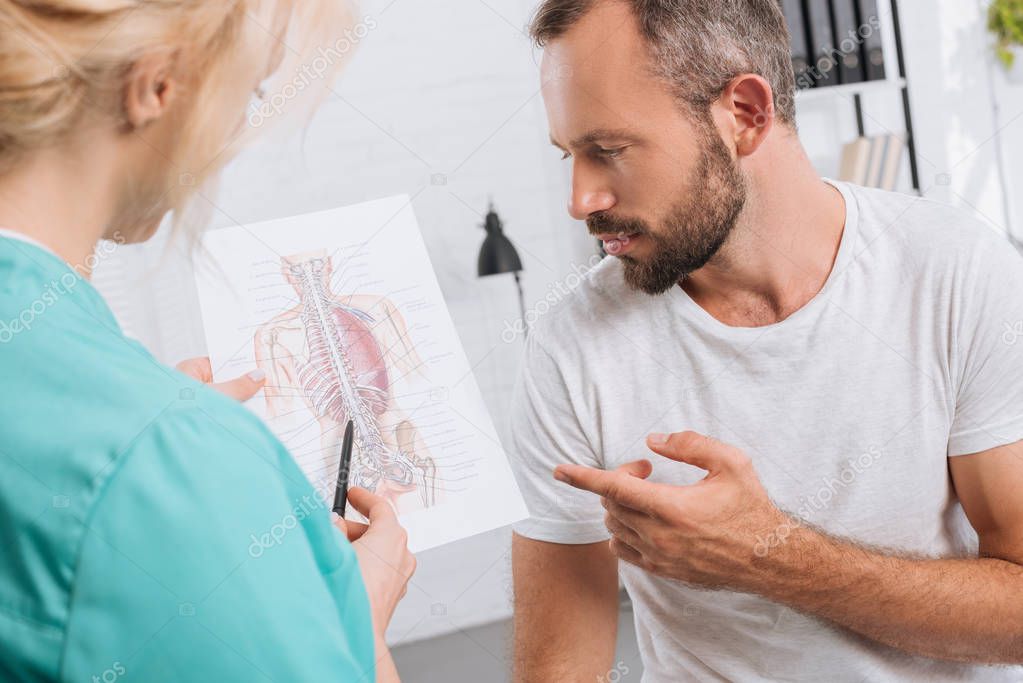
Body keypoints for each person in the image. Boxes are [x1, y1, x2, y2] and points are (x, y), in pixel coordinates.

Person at [510, 1, 1023, 681]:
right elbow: (560, 668)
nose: (580, 198)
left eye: (607, 150)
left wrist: (767, 555)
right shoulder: (568, 345)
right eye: (568, 153)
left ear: (745, 114)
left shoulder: (952, 271)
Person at [0, 2, 414, 681]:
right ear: (155, 83)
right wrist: (350, 628)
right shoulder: (173, 453)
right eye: (247, 92)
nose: (234, 132)